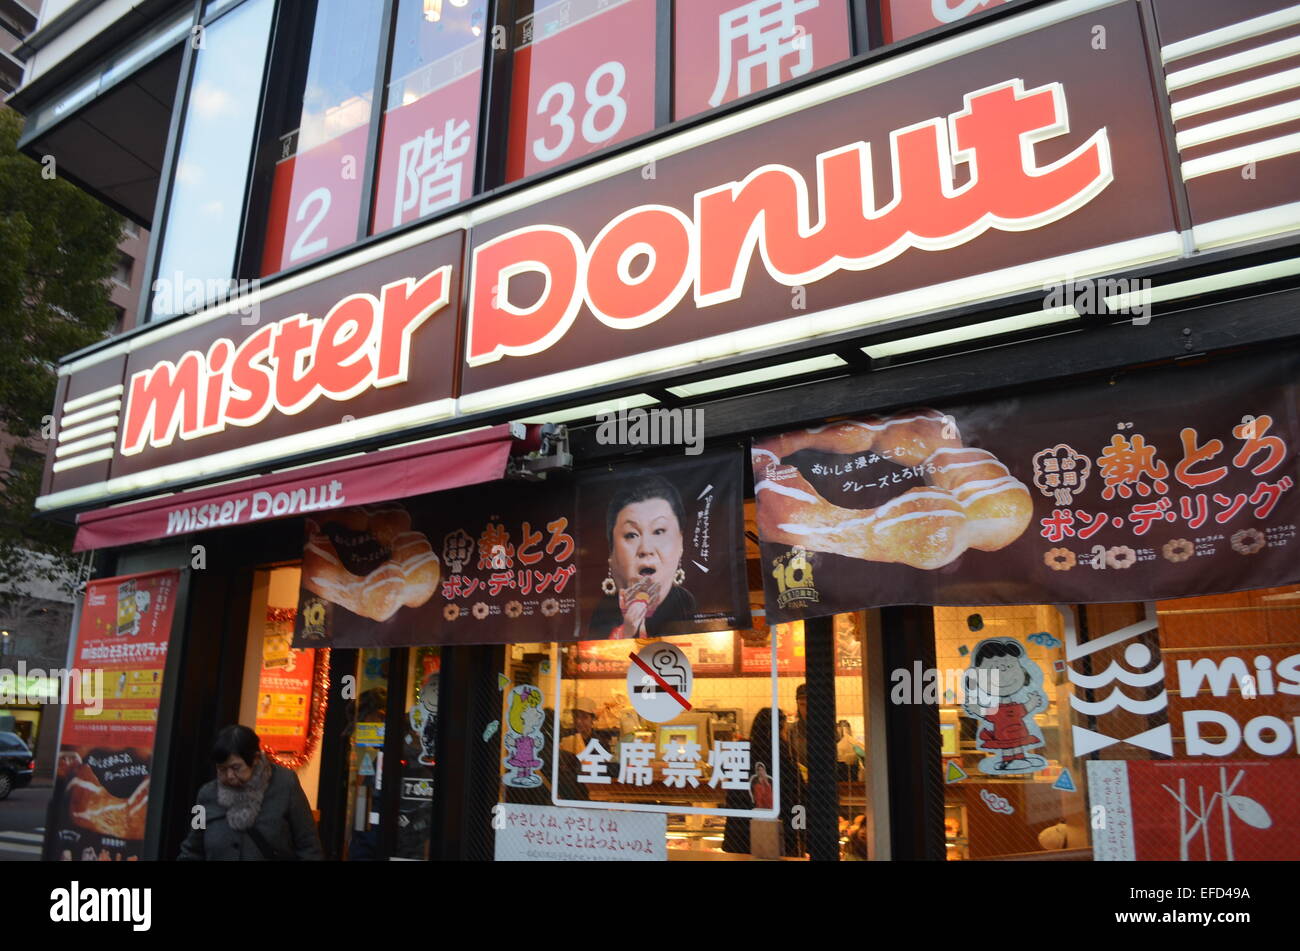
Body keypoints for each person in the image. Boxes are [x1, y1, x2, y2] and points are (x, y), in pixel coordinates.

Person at [178, 724, 323, 861]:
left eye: (236, 767)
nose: (229, 775)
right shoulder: (207, 796)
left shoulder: (284, 786)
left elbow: (308, 845)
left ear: (255, 759)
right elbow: (193, 849)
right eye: (222, 769)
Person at [588, 475, 698, 638]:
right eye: (631, 535)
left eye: (659, 531)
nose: (646, 549)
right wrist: (625, 632)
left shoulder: (686, 604)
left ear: (680, 542)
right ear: (611, 551)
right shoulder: (603, 612)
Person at [722, 707, 804, 857]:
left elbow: (723, 771)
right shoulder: (784, 754)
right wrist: (800, 832)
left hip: (739, 834)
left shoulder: (741, 751)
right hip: (774, 832)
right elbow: (798, 795)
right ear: (780, 729)